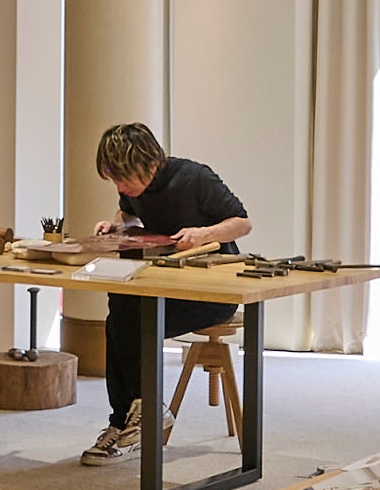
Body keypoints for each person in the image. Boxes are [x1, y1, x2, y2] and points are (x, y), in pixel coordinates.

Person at [78, 121, 252, 463]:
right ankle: (131, 418)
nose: (120, 187)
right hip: (163, 284)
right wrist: (117, 225)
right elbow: (129, 215)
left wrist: (203, 234)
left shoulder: (195, 177)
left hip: (212, 293)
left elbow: (242, 222)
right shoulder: (133, 190)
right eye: (115, 180)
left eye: (124, 179)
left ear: (149, 161)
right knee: (119, 313)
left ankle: (138, 417)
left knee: (131, 319)